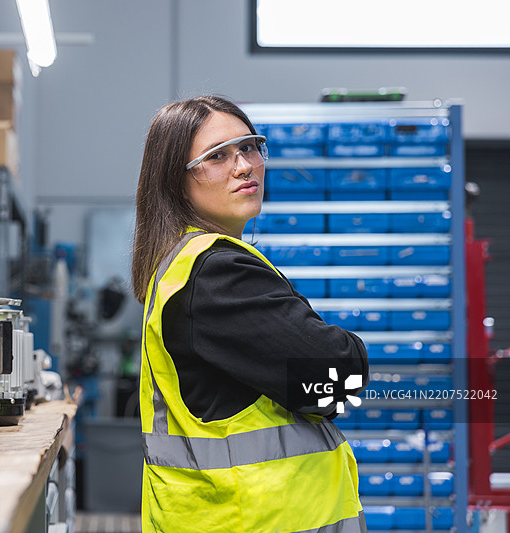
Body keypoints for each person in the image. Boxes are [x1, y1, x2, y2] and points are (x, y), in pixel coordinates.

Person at [131, 95, 369, 532]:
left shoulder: (184, 267)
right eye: (217, 156)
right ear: (175, 180)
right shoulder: (216, 274)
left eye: (250, 147)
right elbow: (338, 378)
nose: (244, 166)